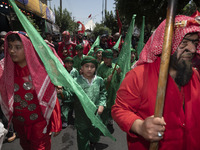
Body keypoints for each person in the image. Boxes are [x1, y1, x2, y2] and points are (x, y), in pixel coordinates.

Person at [111, 15, 200, 150]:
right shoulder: (138, 76)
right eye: (185, 42)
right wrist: (139, 126)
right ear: (167, 43)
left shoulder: (195, 75)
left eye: (195, 43)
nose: (192, 49)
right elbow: (119, 109)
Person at [0, 31, 62, 150]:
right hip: (19, 123)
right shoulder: (4, 69)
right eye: (10, 47)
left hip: (39, 122)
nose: (12, 51)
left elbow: (51, 97)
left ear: (28, 48)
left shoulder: (41, 69)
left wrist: (56, 120)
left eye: (18, 47)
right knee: (25, 146)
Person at [74, 56, 107, 150]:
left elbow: (103, 93)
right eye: (86, 66)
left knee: (95, 132)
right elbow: (69, 95)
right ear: (82, 68)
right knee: (82, 138)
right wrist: (61, 93)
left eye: (92, 66)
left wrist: (101, 104)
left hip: (96, 114)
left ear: (95, 68)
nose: (89, 69)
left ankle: (93, 141)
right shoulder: (76, 81)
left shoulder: (99, 80)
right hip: (81, 116)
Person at [97, 49, 121, 133]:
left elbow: (118, 80)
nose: (107, 60)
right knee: (104, 106)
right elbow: (98, 80)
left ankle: (110, 119)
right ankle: (103, 122)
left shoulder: (116, 67)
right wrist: (106, 79)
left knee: (112, 105)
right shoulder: (100, 68)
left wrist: (118, 74)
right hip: (104, 91)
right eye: (105, 58)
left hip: (113, 91)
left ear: (112, 58)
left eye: (109, 58)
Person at [57, 57, 79, 127]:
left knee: (72, 105)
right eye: (67, 63)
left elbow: (78, 81)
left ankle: (71, 117)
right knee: (65, 106)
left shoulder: (75, 71)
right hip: (65, 91)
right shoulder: (62, 71)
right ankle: (65, 120)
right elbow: (59, 80)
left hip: (73, 91)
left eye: (70, 63)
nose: (69, 64)